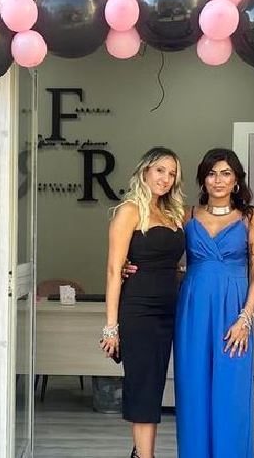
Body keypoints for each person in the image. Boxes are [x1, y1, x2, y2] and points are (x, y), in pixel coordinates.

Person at [175, 148, 254, 458]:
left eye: (226, 173)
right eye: (212, 173)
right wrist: (130, 267)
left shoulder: (250, 218)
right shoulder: (186, 215)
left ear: (236, 180)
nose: (218, 180)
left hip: (234, 314)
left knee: (232, 393)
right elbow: (163, 255)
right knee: (193, 390)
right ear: (203, 179)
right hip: (193, 312)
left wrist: (245, 319)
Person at [100, 147, 187, 458]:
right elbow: (114, 269)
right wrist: (111, 326)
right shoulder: (129, 210)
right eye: (160, 170)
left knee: (153, 386)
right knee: (144, 387)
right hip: (140, 310)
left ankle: (140, 453)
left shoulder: (173, 212)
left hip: (169, 311)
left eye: (172, 173)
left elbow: (172, 263)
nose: (166, 178)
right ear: (145, 171)